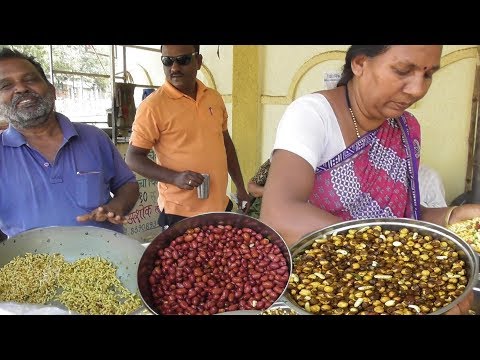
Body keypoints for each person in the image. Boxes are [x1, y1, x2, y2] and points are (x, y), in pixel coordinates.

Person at [260, 45, 480, 315]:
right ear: (360, 63)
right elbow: (279, 213)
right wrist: (391, 260)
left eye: (429, 74)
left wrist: (453, 218)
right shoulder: (313, 115)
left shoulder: (405, 128)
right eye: (402, 70)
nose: (418, 89)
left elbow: (398, 222)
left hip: (386, 286)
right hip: (323, 287)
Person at [0, 48, 140, 238]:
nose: (21, 88)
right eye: (5, 85)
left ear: (52, 90)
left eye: (30, 79)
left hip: (105, 259)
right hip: (30, 263)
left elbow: (127, 184)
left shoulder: (94, 137)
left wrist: (117, 206)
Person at [125, 45, 250, 229]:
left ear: (198, 61)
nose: (174, 68)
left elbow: (226, 145)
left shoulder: (213, 98)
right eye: (167, 61)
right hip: (179, 213)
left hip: (219, 207)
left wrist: (240, 187)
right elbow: (133, 158)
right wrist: (175, 178)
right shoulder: (152, 107)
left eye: (182, 60)